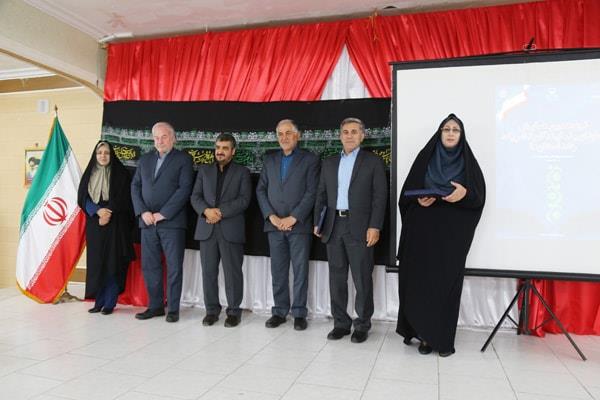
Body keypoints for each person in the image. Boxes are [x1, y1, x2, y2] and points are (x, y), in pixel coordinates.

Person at [396, 113, 485, 357]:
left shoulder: (468, 163)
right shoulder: (425, 158)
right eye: (446, 129)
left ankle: (440, 337)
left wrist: (463, 195)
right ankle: (421, 333)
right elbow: (406, 194)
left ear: (461, 135)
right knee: (420, 282)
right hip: (422, 232)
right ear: (440, 133)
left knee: (443, 286)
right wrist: (418, 199)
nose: (450, 133)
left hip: (451, 238)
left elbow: (478, 198)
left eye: (455, 130)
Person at [313, 117, 387, 343]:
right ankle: (341, 324)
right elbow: (321, 194)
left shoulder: (373, 162)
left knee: (362, 278)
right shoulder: (329, 163)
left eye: (354, 132)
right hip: (333, 226)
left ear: (362, 136)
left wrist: (375, 226)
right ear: (340, 136)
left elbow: (380, 197)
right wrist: (318, 222)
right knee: (336, 278)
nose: (349, 135)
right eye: (345, 132)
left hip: (361, 227)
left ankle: (362, 324)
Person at [256, 119, 319, 331]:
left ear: (297, 135)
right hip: (274, 226)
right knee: (278, 271)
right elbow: (261, 190)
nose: (284, 138)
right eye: (280, 134)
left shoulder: (310, 160)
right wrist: (272, 217)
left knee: (300, 271)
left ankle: (299, 313)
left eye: (288, 133)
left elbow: (312, 192)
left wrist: (293, 217)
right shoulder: (269, 160)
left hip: (298, 226)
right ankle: (279, 311)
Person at [131, 122, 194, 323]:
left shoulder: (184, 159)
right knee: (150, 266)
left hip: (172, 223)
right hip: (147, 222)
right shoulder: (145, 160)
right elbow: (135, 187)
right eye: (156, 137)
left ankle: (173, 309)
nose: (160, 141)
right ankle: (155, 306)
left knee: (174, 267)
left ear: (173, 138)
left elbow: (184, 189)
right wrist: (143, 212)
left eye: (164, 137)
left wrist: (163, 214)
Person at [191, 133, 251, 328]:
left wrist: (220, 212)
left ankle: (233, 312)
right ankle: (211, 311)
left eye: (225, 148)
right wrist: (206, 211)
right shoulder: (204, 170)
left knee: (232, 273)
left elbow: (244, 200)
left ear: (233, 151)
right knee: (208, 272)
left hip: (230, 229)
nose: (220, 151)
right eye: (218, 147)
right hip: (206, 228)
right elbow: (195, 197)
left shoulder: (242, 172)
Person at [77, 141, 135, 315]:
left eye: (106, 153)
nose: (103, 156)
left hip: (115, 223)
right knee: (97, 263)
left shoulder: (121, 174)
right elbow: (82, 198)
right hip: (95, 223)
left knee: (112, 263)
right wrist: (97, 211)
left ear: (111, 155)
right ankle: (98, 301)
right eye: (99, 153)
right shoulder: (89, 174)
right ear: (95, 155)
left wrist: (108, 212)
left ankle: (109, 302)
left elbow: (125, 198)